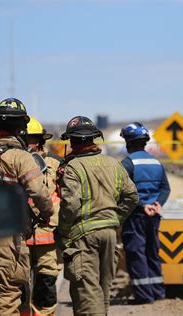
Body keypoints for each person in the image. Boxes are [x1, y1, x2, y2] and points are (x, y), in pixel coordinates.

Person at [0, 98, 54, 316]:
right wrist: (47, 214)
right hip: (8, 240)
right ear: (20, 128)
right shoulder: (21, 157)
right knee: (6, 297)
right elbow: (38, 192)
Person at [57, 116, 139, 315]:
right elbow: (132, 196)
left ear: (72, 141)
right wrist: (115, 219)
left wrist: (63, 233)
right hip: (109, 234)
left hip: (83, 236)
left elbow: (71, 204)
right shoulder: (113, 164)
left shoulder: (73, 168)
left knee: (87, 292)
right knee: (103, 289)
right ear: (93, 139)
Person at [119, 122, 171, 305]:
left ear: (128, 142)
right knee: (152, 253)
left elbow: (123, 190)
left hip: (136, 216)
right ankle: (158, 293)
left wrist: (142, 206)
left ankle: (144, 296)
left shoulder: (128, 163)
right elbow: (165, 188)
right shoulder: (156, 162)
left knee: (136, 254)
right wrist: (158, 203)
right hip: (154, 215)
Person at [21, 117, 62, 316]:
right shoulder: (13, 161)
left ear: (39, 140)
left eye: (30, 138)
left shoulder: (55, 164)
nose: (27, 143)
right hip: (19, 235)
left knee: (46, 282)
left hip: (47, 233)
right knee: (19, 283)